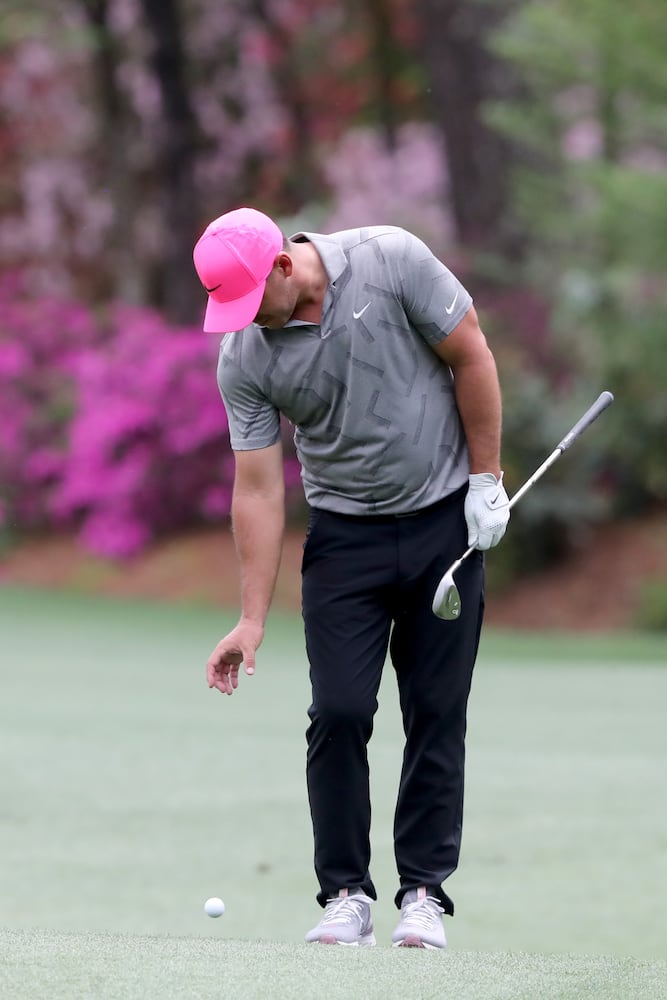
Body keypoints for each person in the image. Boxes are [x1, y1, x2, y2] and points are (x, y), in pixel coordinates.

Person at [193, 206, 510, 949]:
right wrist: (250, 618)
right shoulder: (244, 357)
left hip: (441, 525)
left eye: (249, 301)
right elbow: (260, 490)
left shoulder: (390, 259)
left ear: (280, 265)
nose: (244, 322)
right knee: (337, 711)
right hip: (343, 541)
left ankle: (423, 894)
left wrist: (485, 480)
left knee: (435, 710)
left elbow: (471, 355)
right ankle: (344, 894)